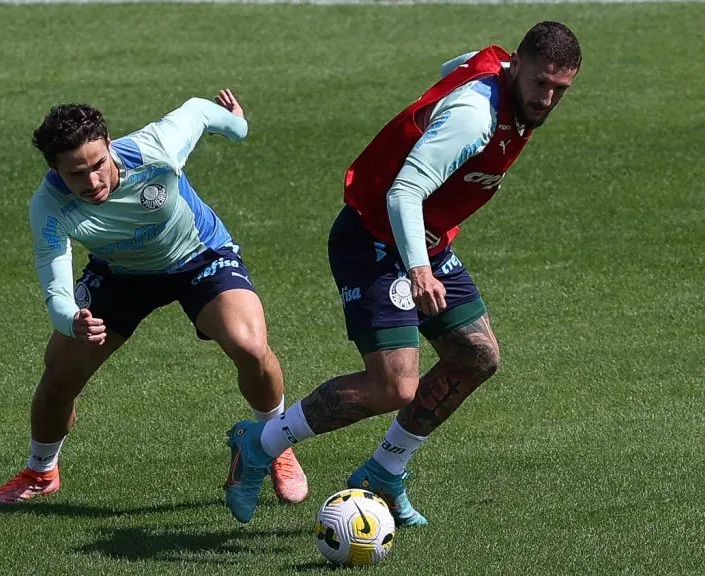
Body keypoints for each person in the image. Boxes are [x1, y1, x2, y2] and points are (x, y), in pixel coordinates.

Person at [222, 22, 582, 525]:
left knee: (476, 356)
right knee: (394, 386)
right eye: (539, 83)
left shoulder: (499, 76)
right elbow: (403, 192)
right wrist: (418, 270)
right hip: (373, 238)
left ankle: (384, 471)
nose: (546, 98)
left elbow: (452, 68)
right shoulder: (474, 116)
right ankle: (259, 443)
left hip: (424, 241)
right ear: (516, 66)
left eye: (559, 90)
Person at [0, 90, 308, 505]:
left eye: (98, 164)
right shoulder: (48, 206)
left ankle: (274, 446)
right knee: (58, 378)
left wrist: (237, 126)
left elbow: (198, 111)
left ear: (109, 143)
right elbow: (55, 287)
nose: (93, 182)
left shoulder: (157, 146)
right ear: (55, 169)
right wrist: (72, 321)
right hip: (120, 274)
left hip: (199, 257)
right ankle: (41, 471)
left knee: (249, 345)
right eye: (76, 174)